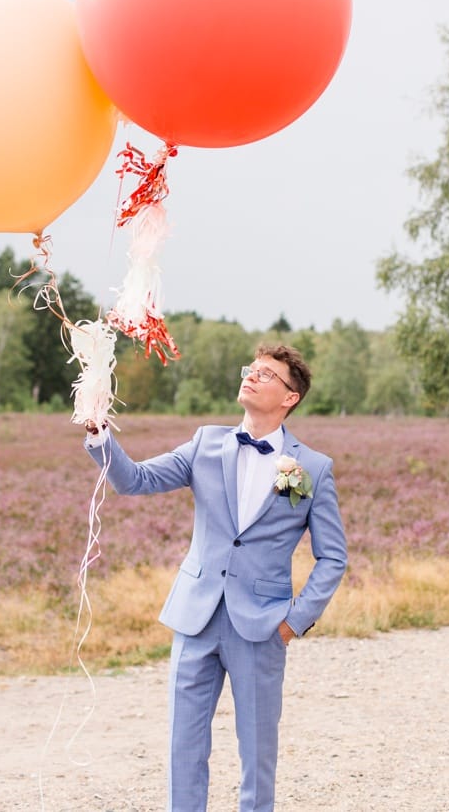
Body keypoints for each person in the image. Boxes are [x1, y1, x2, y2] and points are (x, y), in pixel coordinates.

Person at [83, 343, 348, 812]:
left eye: (265, 374)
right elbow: (135, 480)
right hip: (196, 617)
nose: (250, 376)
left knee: (257, 754)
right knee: (184, 748)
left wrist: (293, 622)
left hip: (263, 627)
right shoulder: (206, 443)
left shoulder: (312, 469)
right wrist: (103, 437)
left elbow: (333, 558)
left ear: (291, 397)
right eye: (250, 369)